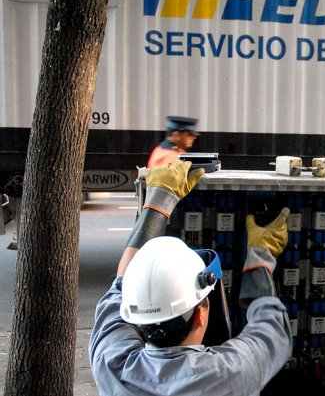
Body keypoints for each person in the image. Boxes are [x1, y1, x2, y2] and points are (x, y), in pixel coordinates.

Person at [89, 160, 292, 395]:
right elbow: (273, 331)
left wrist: (159, 201)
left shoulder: (112, 365)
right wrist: (261, 252)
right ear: (201, 313)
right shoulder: (230, 373)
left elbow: (120, 287)